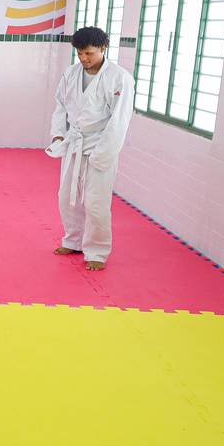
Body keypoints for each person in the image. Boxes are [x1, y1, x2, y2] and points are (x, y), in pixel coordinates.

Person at [49, 26, 134, 271]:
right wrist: (58, 134)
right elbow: (60, 105)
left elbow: (119, 120)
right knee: (67, 198)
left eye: (89, 53)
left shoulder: (119, 78)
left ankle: (97, 250)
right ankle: (73, 240)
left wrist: (103, 154)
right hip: (74, 142)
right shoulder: (71, 73)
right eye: (79, 53)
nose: (84, 58)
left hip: (100, 144)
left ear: (103, 48)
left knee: (96, 203)